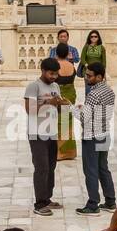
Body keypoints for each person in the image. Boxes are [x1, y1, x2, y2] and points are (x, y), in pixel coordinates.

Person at [76, 61, 117, 214]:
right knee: (103, 168)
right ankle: (110, 201)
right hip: (104, 133)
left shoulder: (93, 94)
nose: (86, 78)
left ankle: (93, 204)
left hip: (91, 135)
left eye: (89, 76)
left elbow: (84, 117)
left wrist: (73, 109)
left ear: (99, 77)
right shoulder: (109, 91)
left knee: (91, 170)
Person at [26, 58, 65, 215]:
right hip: (37, 134)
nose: (54, 76)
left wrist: (62, 105)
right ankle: (39, 204)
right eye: (51, 73)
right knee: (41, 168)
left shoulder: (56, 86)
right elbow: (30, 109)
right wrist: (49, 102)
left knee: (51, 167)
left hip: (52, 133)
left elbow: (57, 109)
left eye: (56, 74)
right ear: (42, 71)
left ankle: (47, 198)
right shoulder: (33, 87)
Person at [50, 32, 80, 160]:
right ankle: (69, 152)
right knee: (67, 123)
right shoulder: (71, 66)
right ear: (67, 53)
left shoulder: (56, 66)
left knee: (57, 124)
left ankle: (59, 153)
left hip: (59, 96)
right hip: (71, 95)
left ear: (56, 53)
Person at [79, 30, 106, 97]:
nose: (93, 38)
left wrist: (103, 73)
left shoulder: (102, 48)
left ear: (98, 38)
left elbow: (104, 62)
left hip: (98, 73)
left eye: (95, 36)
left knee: (98, 92)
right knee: (88, 91)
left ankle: (97, 107)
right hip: (88, 72)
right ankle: (88, 106)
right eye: (92, 37)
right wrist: (88, 66)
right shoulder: (86, 47)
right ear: (89, 38)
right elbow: (82, 59)